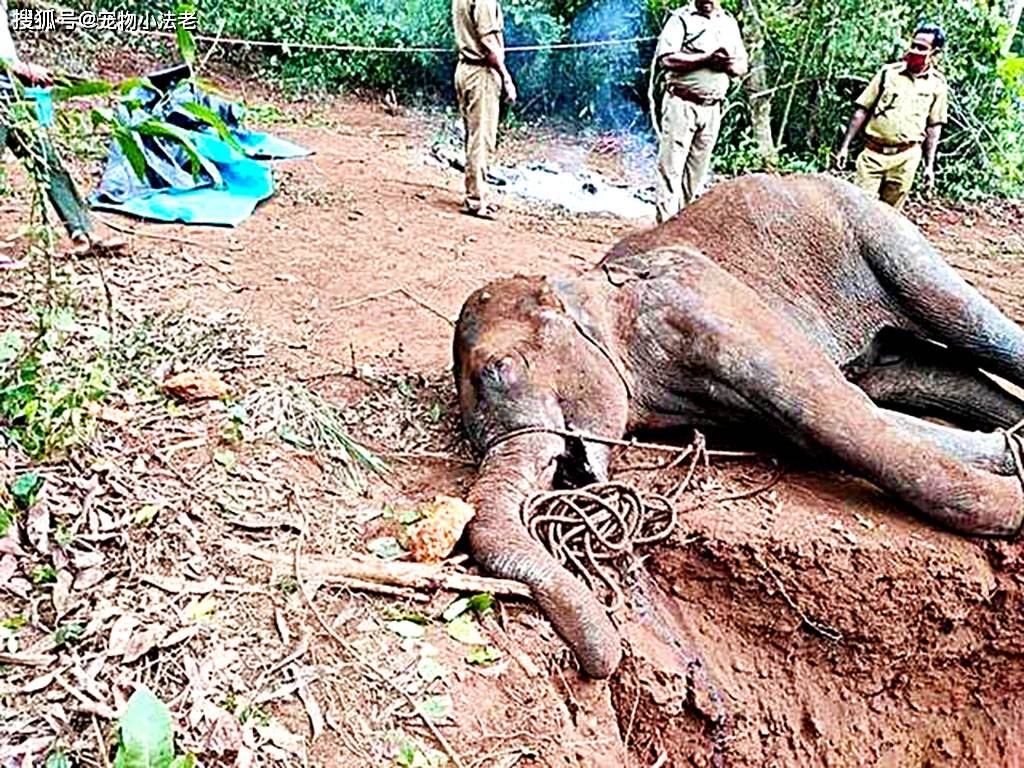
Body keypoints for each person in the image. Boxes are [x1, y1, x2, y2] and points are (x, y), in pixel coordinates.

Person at [1, 0, 124, 262]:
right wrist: (18, 68)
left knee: (47, 160)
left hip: (11, 94)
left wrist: (18, 69)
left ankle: (83, 233)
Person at [650, 0, 748, 223]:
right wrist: (706, 59)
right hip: (682, 103)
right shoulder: (681, 18)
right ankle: (665, 228)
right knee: (671, 169)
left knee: (697, 172)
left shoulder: (728, 23)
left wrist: (730, 66)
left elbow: (743, 65)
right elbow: (667, 59)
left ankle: (684, 227)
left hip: (712, 108)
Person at [835, 24, 948, 210]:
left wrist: (929, 165)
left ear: (934, 53)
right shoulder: (888, 73)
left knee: (891, 216)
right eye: (913, 45)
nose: (914, 51)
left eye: (921, 48)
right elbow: (862, 110)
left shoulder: (937, 85)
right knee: (860, 210)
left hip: (906, 158)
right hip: (872, 154)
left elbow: (934, 127)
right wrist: (845, 147)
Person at [451, 0, 516, 220]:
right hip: (481, 75)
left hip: (464, 69)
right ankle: (477, 200)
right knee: (482, 139)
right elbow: (488, 42)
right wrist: (506, 79)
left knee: (473, 136)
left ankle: (475, 193)